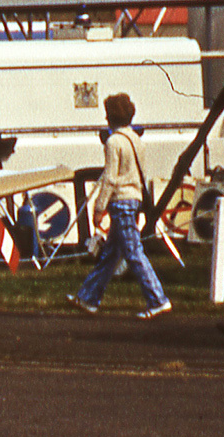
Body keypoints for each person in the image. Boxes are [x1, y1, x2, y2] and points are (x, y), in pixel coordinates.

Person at [73, 92, 171, 319]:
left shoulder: (113, 142)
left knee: (134, 252)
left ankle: (158, 299)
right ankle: (88, 297)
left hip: (121, 201)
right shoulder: (137, 141)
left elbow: (109, 177)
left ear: (111, 117)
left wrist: (99, 207)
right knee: (111, 254)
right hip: (135, 197)